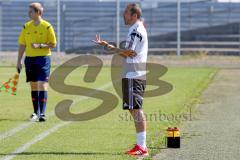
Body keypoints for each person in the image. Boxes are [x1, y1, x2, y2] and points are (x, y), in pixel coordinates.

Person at [93, 3, 148, 157]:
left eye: (126, 13)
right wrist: (108, 46)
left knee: (136, 109)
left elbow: (129, 53)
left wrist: (109, 47)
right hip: (133, 74)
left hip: (134, 75)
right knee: (133, 109)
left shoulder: (136, 30)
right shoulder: (136, 28)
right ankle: (140, 145)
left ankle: (142, 147)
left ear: (134, 15)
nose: (123, 15)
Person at [16, 2, 57, 122]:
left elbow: (53, 44)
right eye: (29, 11)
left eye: (31, 11)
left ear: (38, 12)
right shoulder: (26, 26)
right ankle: (36, 112)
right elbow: (22, 45)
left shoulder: (47, 26)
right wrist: (19, 61)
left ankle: (42, 114)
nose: (29, 13)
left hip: (43, 59)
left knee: (42, 84)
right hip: (30, 59)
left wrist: (40, 45)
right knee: (33, 85)